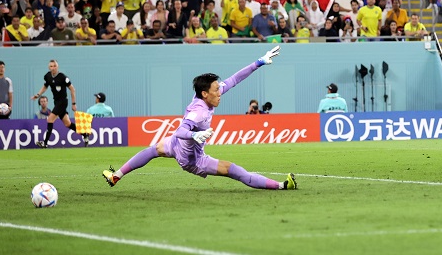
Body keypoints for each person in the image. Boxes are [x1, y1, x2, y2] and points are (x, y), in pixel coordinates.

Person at [102, 46, 297, 191]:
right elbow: (180, 130)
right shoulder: (200, 112)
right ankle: (282, 185)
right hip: (192, 158)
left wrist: (259, 62)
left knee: (152, 150)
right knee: (234, 170)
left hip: (175, 144)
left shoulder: (203, 96)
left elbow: (234, 79)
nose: (220, 92)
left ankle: (116, 176)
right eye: (215, 91)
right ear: (205, 94)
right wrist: (195, 136)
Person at [31, 60, 90, 147]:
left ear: (57, 67)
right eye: (51, 66)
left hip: (62, 102)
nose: (53, 68)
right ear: (49, 67)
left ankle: (45, 143)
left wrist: (73, 103)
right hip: (56, 102)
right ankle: (85, 134)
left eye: (55, 66)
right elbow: (45, 86)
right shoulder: (47, 76)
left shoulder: (63, 77)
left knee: (50, 119)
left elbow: (72, 89)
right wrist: (38, 94)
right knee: (68, 124)